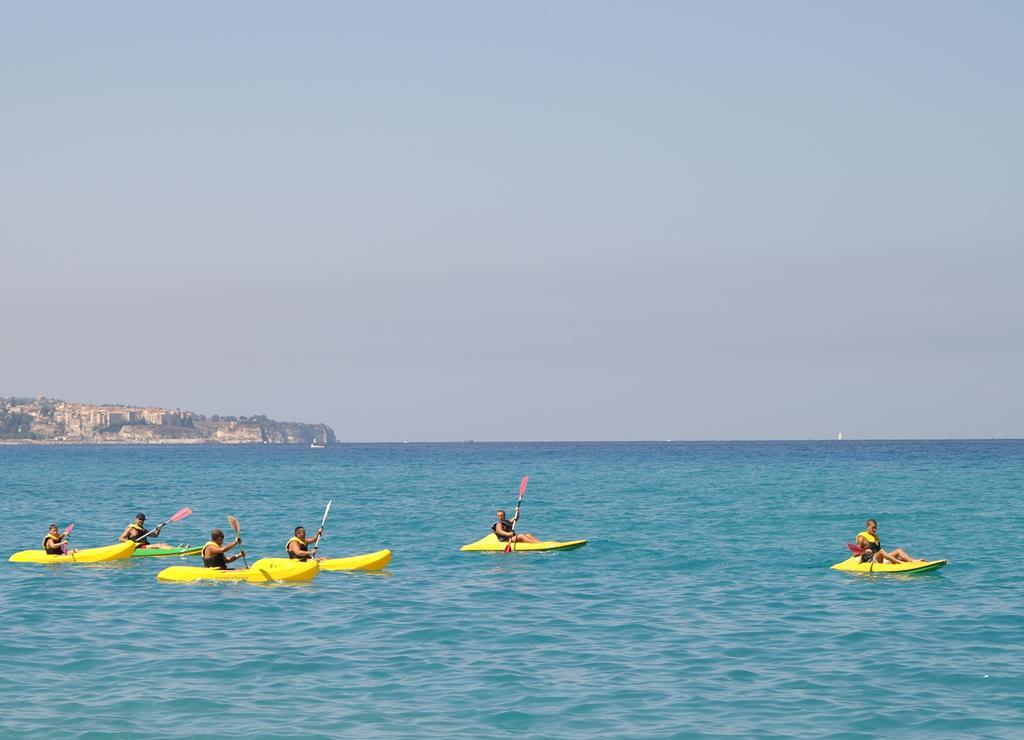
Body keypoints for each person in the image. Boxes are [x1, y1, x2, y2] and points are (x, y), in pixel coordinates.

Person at [856, 519, 924, 563]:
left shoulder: (875, 537)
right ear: (867, 527)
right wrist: (865, 551)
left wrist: (888, 555)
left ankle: (912, 561)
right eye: (872, 528)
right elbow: (855, 553)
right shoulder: (861, 537)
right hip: (871, 560)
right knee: (882, 551)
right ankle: (899, 562)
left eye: (875, 528)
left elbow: (878, 550)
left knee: (899, 550)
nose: (874, 530)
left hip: (879, 558)